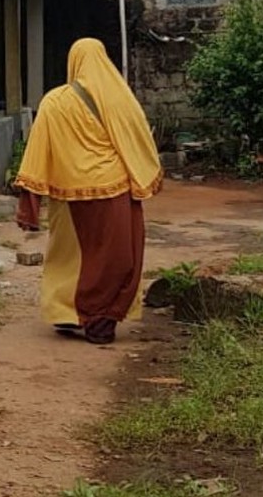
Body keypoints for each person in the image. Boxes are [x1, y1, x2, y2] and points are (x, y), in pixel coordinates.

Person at [13, 39, 163, 345]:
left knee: (70, 256)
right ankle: (102, 316)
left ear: (74, 63)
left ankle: (68, 311)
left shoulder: (55, 101)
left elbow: (38, 149)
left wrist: (29, 201)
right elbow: (141, 141)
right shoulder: (121, 97)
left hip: (71, 196)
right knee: (119, 257)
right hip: (118, 190)